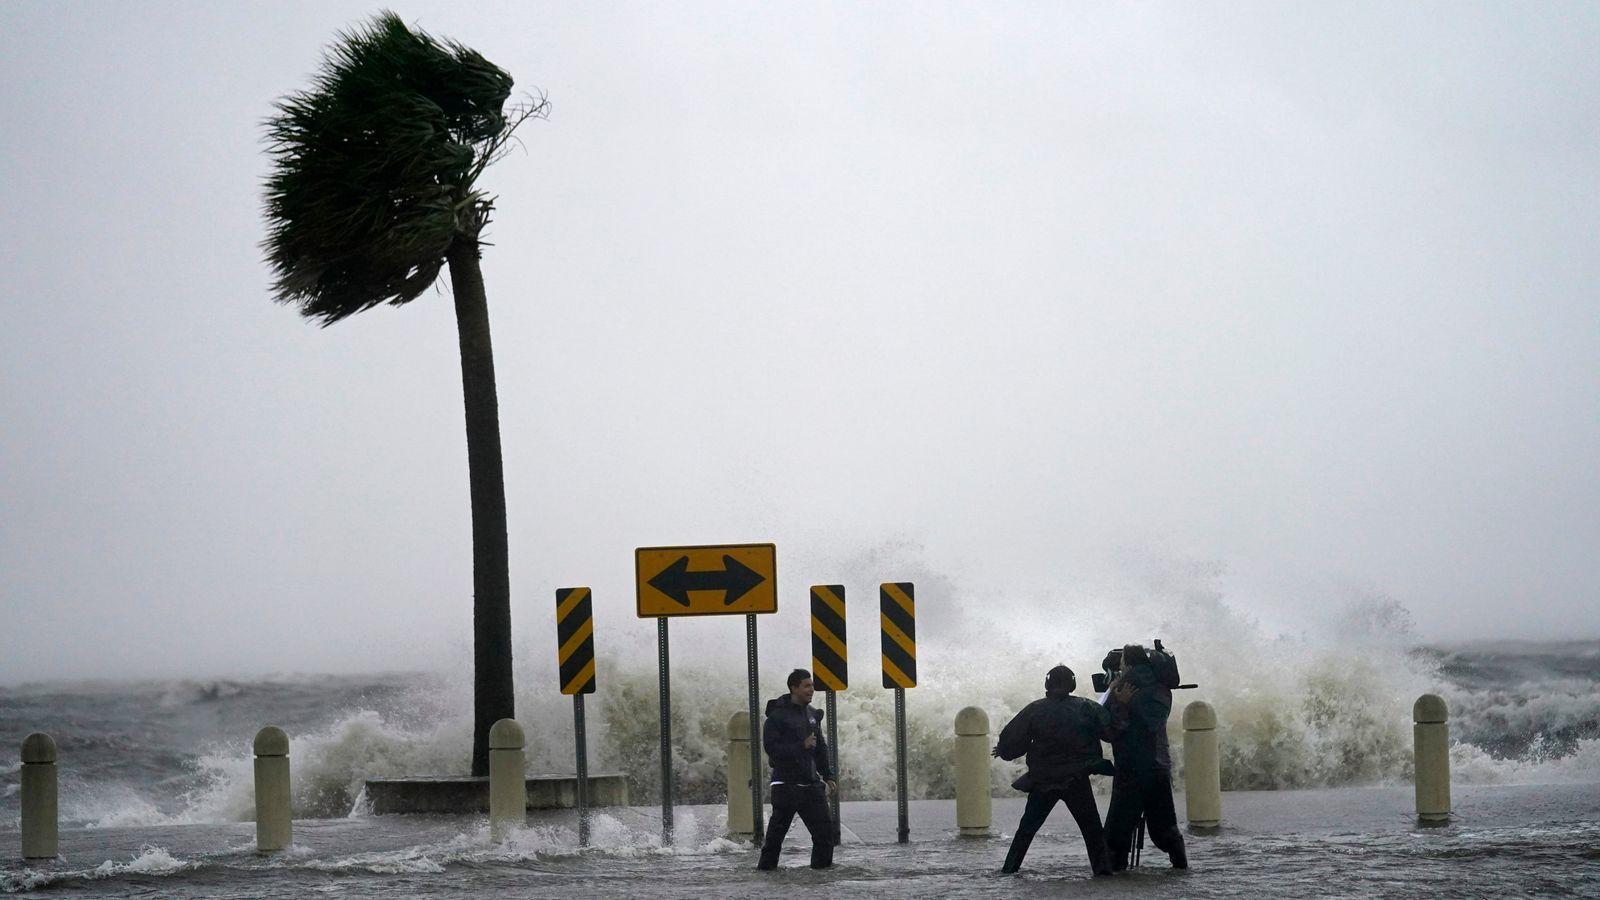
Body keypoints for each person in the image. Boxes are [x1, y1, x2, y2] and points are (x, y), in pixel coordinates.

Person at [993, 664, 1130, 876]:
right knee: (1092, 832)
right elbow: (1112, 733)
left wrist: (1002, 751)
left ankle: (1008, 870)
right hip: (1076, 779)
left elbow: (1011, 742)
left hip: (1043, 780)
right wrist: (1121, 705)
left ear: (1047, 684)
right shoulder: (1088, 707)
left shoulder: (1034, 709)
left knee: (1026, 831)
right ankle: (1103, 873)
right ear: (1072, 684)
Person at [1103, 644, 1188, 870]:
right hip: (1158, 767)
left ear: (1128, 664)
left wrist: (1119, 704)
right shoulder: (1162, 688)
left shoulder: (1121, 689)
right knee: (1165, 828)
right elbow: (1152, 723)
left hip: (1131, 768)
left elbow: (1111, 730)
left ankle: (1118, 872)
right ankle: (1181, 866)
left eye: (1122, 663)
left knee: (1116, 832)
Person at [756, 668, 837, 870]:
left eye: (812, 686)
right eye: (806, 686)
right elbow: (771, 749)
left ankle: (821, 877)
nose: (811, 690)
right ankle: (766, 876)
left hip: (811, 785)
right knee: (775, 840)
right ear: (794, 688)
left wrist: (828, 775)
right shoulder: (777, 716)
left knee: (826, 835)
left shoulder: (812, 715)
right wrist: (801, 745)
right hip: (786, 786)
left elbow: (820, 748)